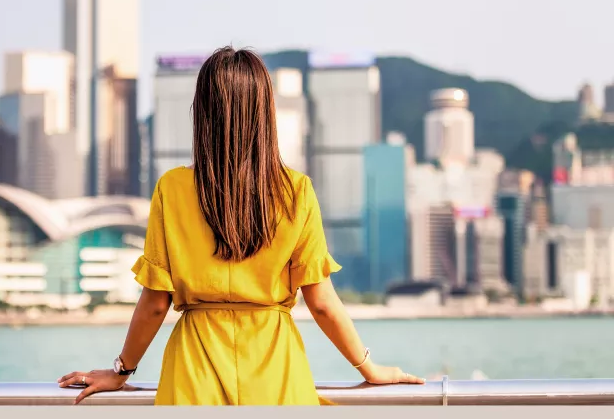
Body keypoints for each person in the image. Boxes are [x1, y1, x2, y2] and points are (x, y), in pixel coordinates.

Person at [58, 46, 423, 405]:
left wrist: (121, 371)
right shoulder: (296, 191)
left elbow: (156, 303)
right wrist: (369, 368)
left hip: (193, 373)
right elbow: (323, 303)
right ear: (266, 113)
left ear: (202, 113)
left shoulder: (171, 188)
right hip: (276, 372)